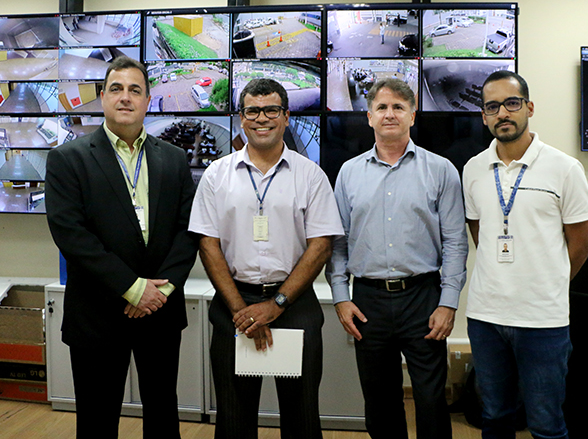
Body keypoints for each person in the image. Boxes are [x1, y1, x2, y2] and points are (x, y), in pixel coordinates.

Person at [45, 56, 198, 439]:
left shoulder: (175, 159)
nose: (125, 97)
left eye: (135, 90)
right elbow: (71, 235)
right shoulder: (68, 159)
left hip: (159, 314)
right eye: (116, 89)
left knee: (163, 417)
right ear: (102, 97)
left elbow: (188, 230)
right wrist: (133, 288)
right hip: (97, 315)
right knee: (97, 423)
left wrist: (159, 291)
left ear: (148, 100)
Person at [189, 78, 344, 439]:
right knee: (233, 416)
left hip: (295, 306)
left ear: (286, 116)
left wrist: (274, 305)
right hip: (233, 308)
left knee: (302, 415)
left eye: (271, 110)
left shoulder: (311, 176)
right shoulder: (216, 175)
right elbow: (207, 244)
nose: (262, 118)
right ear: (241, 118)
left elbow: (320, 245)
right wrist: (241, 310)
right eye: (252, 111)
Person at [327, 78, 468, 439]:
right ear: (369, 117)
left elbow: (455, 242)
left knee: (431, 398)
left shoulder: (441, 171)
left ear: (413, 115)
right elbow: (337, 243)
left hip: (423, 297)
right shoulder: (348, 173)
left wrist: (448, 303)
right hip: (367, 300)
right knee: (379, 400)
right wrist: (341, 297)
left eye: (398, 107)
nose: (390, 114)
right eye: (382, 108)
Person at [462, 70, 588, 439]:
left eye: (511, 103)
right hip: (486, 317)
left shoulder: (564, 168)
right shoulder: (473, 169)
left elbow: (581, 243)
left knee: (546, 424)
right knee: (495, 417)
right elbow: (479, 231)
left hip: (543, 320)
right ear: (484, 116)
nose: (503, 113)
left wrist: (549, 282)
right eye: (492, 107)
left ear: (529, 108)